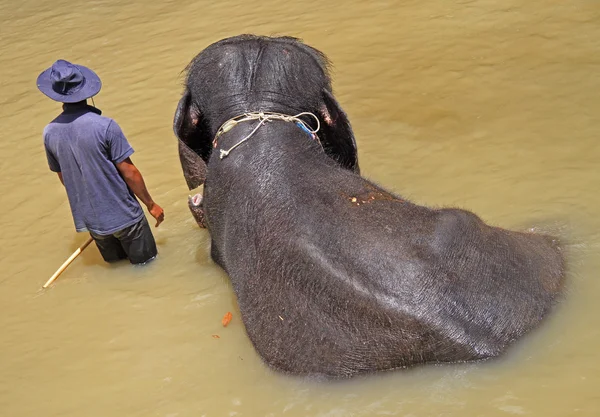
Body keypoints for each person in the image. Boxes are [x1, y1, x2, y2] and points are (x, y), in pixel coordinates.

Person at [37, 59, 164, 265]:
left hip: (94, 224)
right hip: (126, 217)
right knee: (147, 266)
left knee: (115, 268)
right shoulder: (105, 126)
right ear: (86, 90)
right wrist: (151, 205)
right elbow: (129, 171)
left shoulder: (49, 133)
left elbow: (64, 177)